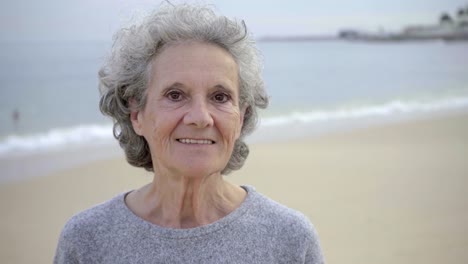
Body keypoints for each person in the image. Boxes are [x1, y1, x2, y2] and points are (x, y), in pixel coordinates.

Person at [54, 3, 324, 263]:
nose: (200, 118)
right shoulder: (86, 241)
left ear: (241, 118)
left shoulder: (290, 239)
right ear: (136, 115)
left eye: (220, 97)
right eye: (175, 95)